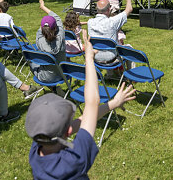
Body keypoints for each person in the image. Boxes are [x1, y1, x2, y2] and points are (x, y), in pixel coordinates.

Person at [25, 30, 136, 180]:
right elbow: (91, 103)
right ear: (68, 131)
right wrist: (89, 58)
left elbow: (85, 118)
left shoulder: (37, 149)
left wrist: (114, 103)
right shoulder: (74, 160)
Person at [88, 0, 133, 64]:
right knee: (129, 47)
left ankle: (110, 74)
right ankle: (129, 73)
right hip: (111, 57)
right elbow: (129, 9)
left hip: (96, 56)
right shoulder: (113, 21)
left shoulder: (90, 22)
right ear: (109, 9)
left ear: (97, 10)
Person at [30, 0, 66, 83]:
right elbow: (57, 18)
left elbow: (42, 30)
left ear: (42, 29)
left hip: (45, 77)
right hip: (62, 75)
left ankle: (53, 89)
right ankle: (55, 89)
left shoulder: (39, 39)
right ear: (56, 28)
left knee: (31, 61)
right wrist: (43, 7)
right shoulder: (61, 35)